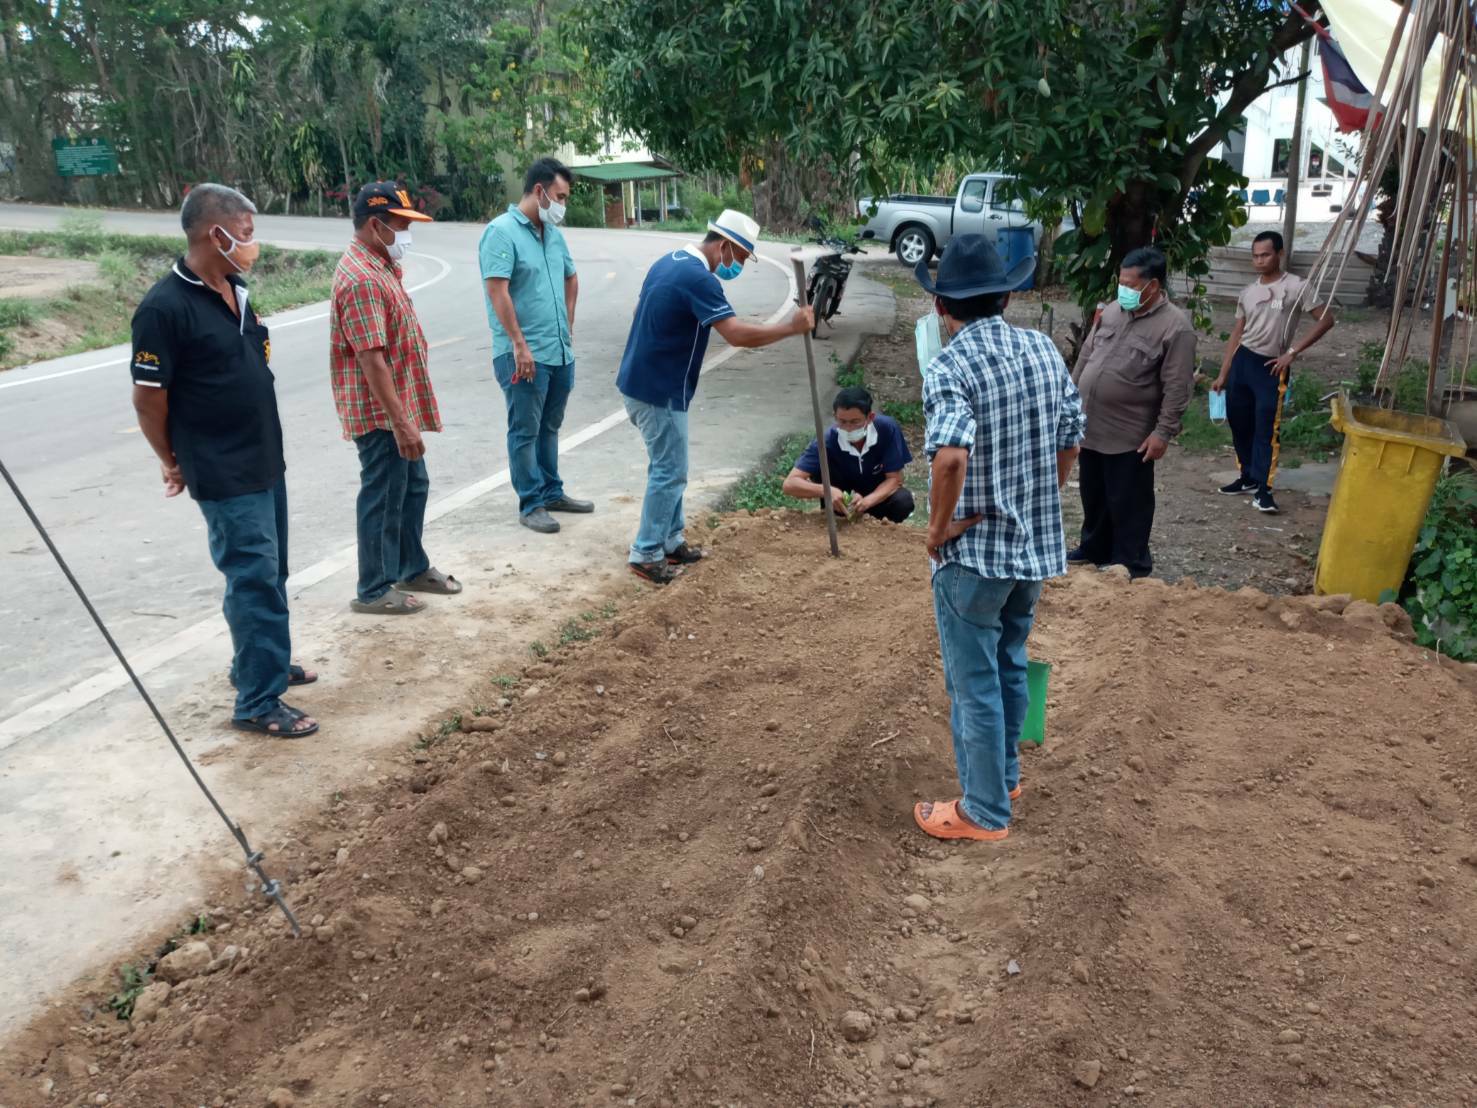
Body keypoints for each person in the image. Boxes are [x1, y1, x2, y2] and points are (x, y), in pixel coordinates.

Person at [911, 234, 1085, 843]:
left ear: (942, 307)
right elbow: (1070, 437)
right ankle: (1005, 776)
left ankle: (984, 810)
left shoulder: (951, 366)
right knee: (1010, 662)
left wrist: (936, 531)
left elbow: (950, 458)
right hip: (1030, 550)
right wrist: (1041, 495)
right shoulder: (1041, 350)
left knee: (973, 682)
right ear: (1007, 296)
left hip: (976, 556)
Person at [130, 183, 318, 738]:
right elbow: (147, 399)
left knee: (272, 571)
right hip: (222, 467)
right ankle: (258, 702)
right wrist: (171, 459)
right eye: (247, 231)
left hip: (264, 457)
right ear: (217, 233)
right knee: (253, 576)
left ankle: (258, 663)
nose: (251, 242)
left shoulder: (236, 288)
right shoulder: (164, 308)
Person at [616, 209, 813, 584]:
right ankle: (645, 552)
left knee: (671, 468)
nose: (736, 267)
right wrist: (789, 327)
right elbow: (736, 335)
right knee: (670, 471)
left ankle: (670, 541)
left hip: (644, 383)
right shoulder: (698, 278)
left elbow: (649, 313)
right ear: (724, 246)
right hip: (658, 390)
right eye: (738, 258)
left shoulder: (670, 261)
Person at [331, 181, 462, 615]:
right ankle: (373, 588)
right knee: (384, 494)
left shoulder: (382, 265)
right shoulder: (362, 279)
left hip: (398, 407)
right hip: (381, 414)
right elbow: (371, 359)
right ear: (375, 225)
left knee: (412, 488)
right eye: (402, 225)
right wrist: (401, 422)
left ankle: (411, 566)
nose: (407, 234)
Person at [479, 157, 592, 534]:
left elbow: (571, 278)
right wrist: (519, 344)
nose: (564, 204)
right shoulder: (501, 232)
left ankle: (551, 491)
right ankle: (531, 503)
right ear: (540, 191)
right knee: (525, 429)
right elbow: (498, 290)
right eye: (560, 196)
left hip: (559, 351)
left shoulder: (553, 234)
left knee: (550, 426)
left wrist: (568, 322)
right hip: (523, 354)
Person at [1069, 246, 1195, 578]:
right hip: (1090, 424)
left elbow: (1178, 386)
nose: (1122, 289)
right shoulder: (1112, 311)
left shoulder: (1175, 328)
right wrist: (1069, 396)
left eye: (1130, 284)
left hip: (1131, 433)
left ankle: (1131, 562)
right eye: (1121, 282)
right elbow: (1086, 354)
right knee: (1093, 492)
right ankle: (1094, 547)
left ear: (1152, 286)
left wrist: (1163, 431)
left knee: (1129, 501)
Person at [1212, 230, 1336, 514]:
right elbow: (1237, 334)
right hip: (1243, 361)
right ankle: (1247, 478)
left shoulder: (1297, 286)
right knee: (1239, 422)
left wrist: (1291, 353)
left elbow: (1326, 320)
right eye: (1255, 256)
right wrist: (1223, 373)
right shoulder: (1247, 292)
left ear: (1280, 254)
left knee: (1266, 428)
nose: (1259, 260)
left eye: (1265, 254)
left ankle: (1264, 490)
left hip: (1271, 366)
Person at [781, 386, 915, 522]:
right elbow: (790, 484)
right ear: (835, 417)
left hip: (878, 500)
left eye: (855, 422)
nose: (848, 428)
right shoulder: (826, 442)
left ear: (870, 418)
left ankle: (886, 531)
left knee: (903, 501)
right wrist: (827, 491)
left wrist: (867, 501)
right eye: (842, 421)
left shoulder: (887, 429)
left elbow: (895, 479)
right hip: (841, 506)